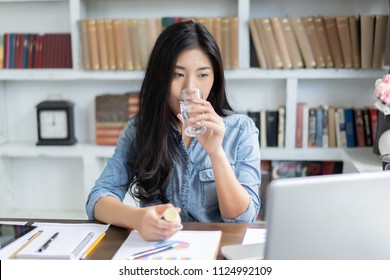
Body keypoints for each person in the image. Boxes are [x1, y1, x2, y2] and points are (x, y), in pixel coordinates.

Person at [86, 20, 261, 241]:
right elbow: (98, 199)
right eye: (177, 75)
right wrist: (138, 218)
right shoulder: (140, 129)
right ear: (161, 77)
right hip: (159, 251)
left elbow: (243, 220)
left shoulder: (241, 130)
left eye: (202, 75)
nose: (190, 88)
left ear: (215, 78)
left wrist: (216, 152)